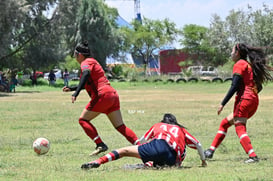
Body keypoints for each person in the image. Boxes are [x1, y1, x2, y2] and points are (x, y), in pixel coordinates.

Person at [62, 41, 140, 155]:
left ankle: (100, 144)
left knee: (83, 120)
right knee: (120, 126)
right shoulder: (93, 62)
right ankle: (141, 146)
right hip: (112, 95)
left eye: (75, 54)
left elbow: (86, 74)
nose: (75, 57)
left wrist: (76, 93)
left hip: (102, 96)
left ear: (80, 55)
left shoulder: (85, 63)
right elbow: (90, 82)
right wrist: (73, 88)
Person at [204, 43, 273, 163]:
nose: (230, 54)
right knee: (225, 123)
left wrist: (222, 103)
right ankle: (210, 151)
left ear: (237, 53)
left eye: (232, 51)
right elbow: (259, 87)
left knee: (240, 128)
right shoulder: (249, 65)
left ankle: (253, 156)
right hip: (253, 101)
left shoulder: (239, 64)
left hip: (244, 100)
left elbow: (234, 85)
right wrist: (251, 95)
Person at [81, 113, 207, 169]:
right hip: (173, 158)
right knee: (161, 164)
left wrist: (139, 150)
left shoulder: (158, 125)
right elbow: (198, 145)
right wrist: (203, 162)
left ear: (163, 121)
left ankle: (98, 161)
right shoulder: (180, 129)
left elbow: (142, 140)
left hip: (158, 145)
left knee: (123, 151)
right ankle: (152, 165)